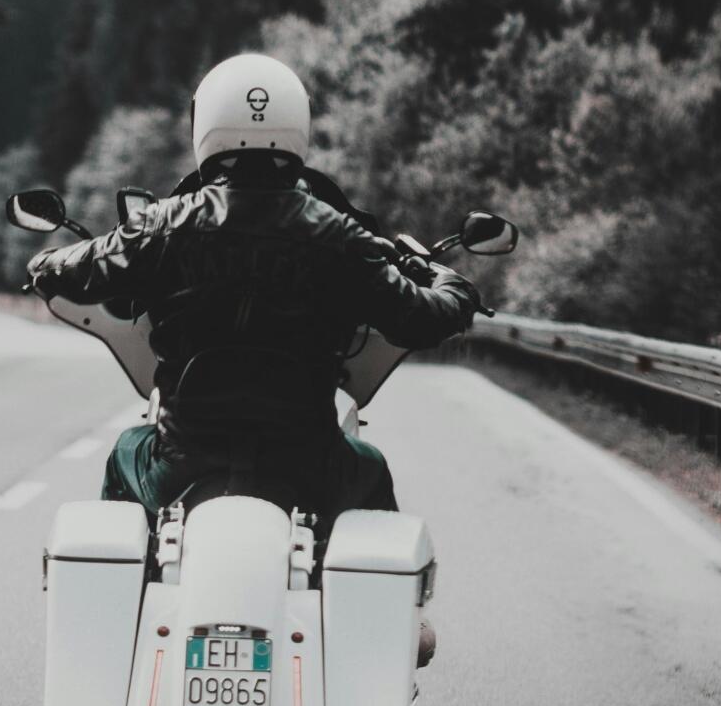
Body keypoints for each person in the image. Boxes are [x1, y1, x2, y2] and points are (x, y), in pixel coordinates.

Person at [26, 50, 478, 532]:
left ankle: (124, 599)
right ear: (297, 124)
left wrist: (44, 264)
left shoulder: (163, 225)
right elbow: (428, 318)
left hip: (183, 463)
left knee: (124, 452)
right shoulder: (340, 236)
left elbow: (65, 271)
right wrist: (444, 278)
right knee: (370, 468)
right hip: (308, 466)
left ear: (206, 125)